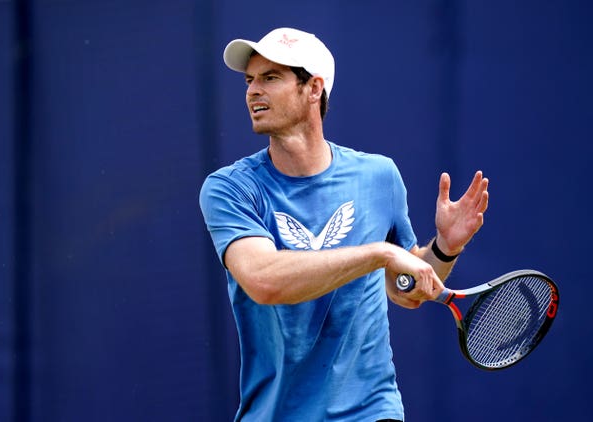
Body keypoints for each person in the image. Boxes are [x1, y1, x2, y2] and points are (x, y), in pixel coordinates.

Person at [199, 27, 489, 421]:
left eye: (270, 78)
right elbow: (264, 280)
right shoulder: (229, 189)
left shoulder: (379, 176)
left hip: (369, 410)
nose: (252, 91)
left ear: (313, 88)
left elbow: (406, 291)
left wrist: (444, 248)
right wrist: (379, 254)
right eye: (250, 80)